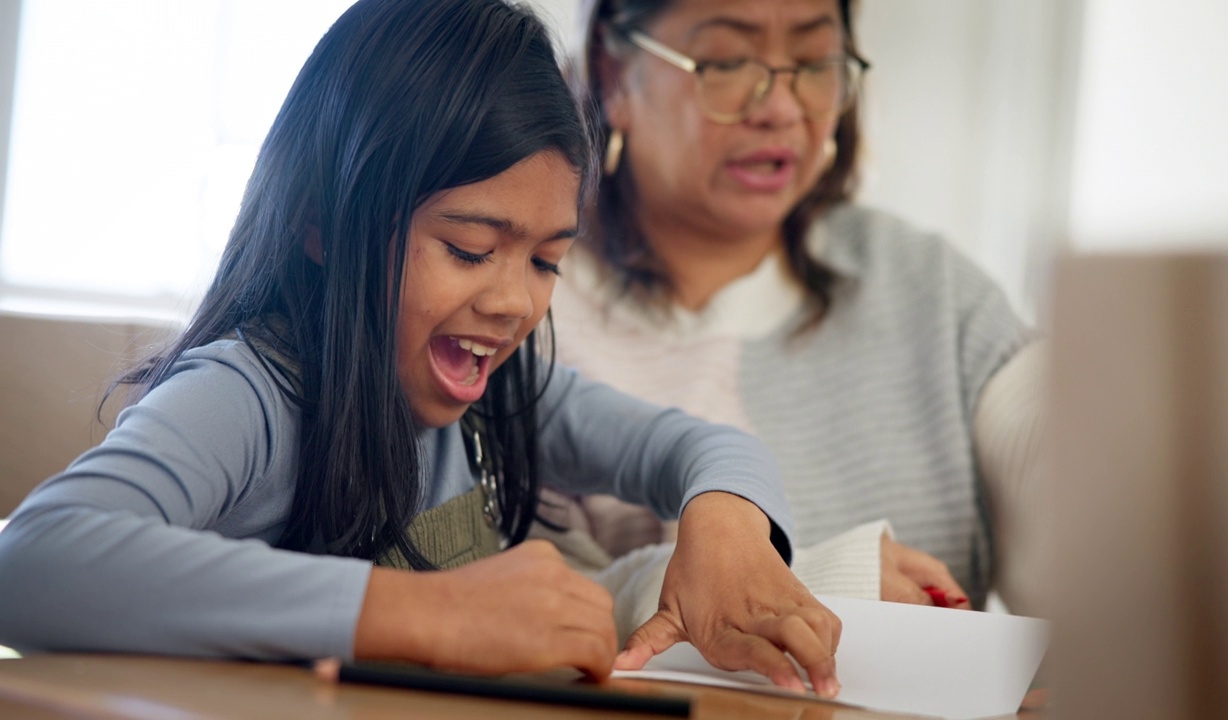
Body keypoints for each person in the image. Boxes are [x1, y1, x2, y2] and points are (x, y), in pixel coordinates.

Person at [0, 0, 844, 696]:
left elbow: (702, 445)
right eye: (471, 249)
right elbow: (32, 559)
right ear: (325, 227)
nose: (514, 302)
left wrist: (730, 523)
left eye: (547, 259)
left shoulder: (505, 395)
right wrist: (427, 614)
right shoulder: (250, 394)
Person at [542, 0, 1046, 621]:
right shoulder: (521, 304)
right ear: (614, 75)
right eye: (727, 61)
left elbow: (1062, 468)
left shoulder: (926, 285)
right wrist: (816, 583)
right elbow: (532, 613)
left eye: (813, 62)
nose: (782, 108)